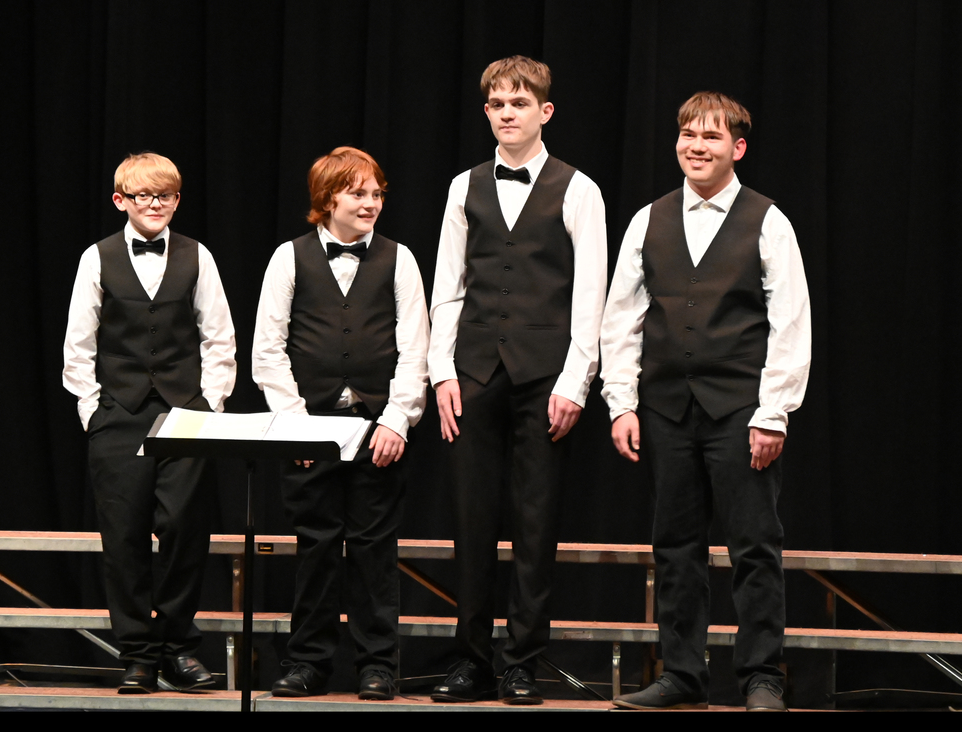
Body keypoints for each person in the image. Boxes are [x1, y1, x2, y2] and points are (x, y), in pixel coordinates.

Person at [601, 92, 811, 711]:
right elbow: (622, 319)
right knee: (676, 547)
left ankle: (762, 676)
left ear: (737, 148)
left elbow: (790, 323)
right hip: (666, 408)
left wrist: (772, 412)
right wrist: (622, 402)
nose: (696, 146)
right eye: (688, 134)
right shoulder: (649, 219)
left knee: (753, 546)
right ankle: (683, 673)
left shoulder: (767, 220)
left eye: (711, 137)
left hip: (740, 411)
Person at [428, 56, 607, 705]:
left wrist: (575, 382)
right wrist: (441, 371)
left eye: (520, 103)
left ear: (544, 112)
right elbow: (447, 286)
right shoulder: (463, 186)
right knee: (471, 520)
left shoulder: (578, 189)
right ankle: (471, 660)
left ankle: (523, 660)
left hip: (544, 376)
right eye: (498, 104)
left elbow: (591, 294)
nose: (508, 113)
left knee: (535, 522)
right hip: (474, 369)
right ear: (487, 112)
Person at [252, 147, 429, 700]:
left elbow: (414, 350)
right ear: (328, 198)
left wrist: (397, 419)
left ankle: (378, 664)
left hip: (377, 426)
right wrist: (296, 423)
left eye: (376, 193)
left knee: (375, 548)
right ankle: (309, 662)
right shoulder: (289, 258)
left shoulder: (399, 260)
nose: (370, 202)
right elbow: (268, 349)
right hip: (311, 429)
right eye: (358, 193)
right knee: (317, 546)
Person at [63, 152, 236, 693]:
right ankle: (138, 653)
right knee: (125, 535)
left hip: (185, 414)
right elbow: (79, 343)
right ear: (121, 201)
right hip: (119, 415)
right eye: (143, 196)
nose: (155, 204)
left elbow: (219, 337)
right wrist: (94, 410)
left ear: (177, 200)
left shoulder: (196, 256)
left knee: (185, 529)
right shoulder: (98, 258)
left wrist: (209, 404)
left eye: (165, 195)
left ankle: (180, 648)